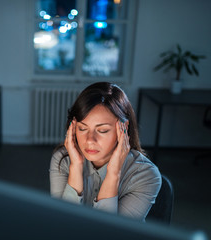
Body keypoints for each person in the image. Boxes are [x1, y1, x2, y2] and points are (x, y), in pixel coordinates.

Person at [49, 82, 161, 221]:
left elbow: (110, 233)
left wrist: (113, 174)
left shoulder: (146, 175)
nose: (90, 140)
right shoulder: (63, 159)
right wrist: (76, 167)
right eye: (82, 129)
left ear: (124, 128)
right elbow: (62, 223)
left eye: (102, 130)